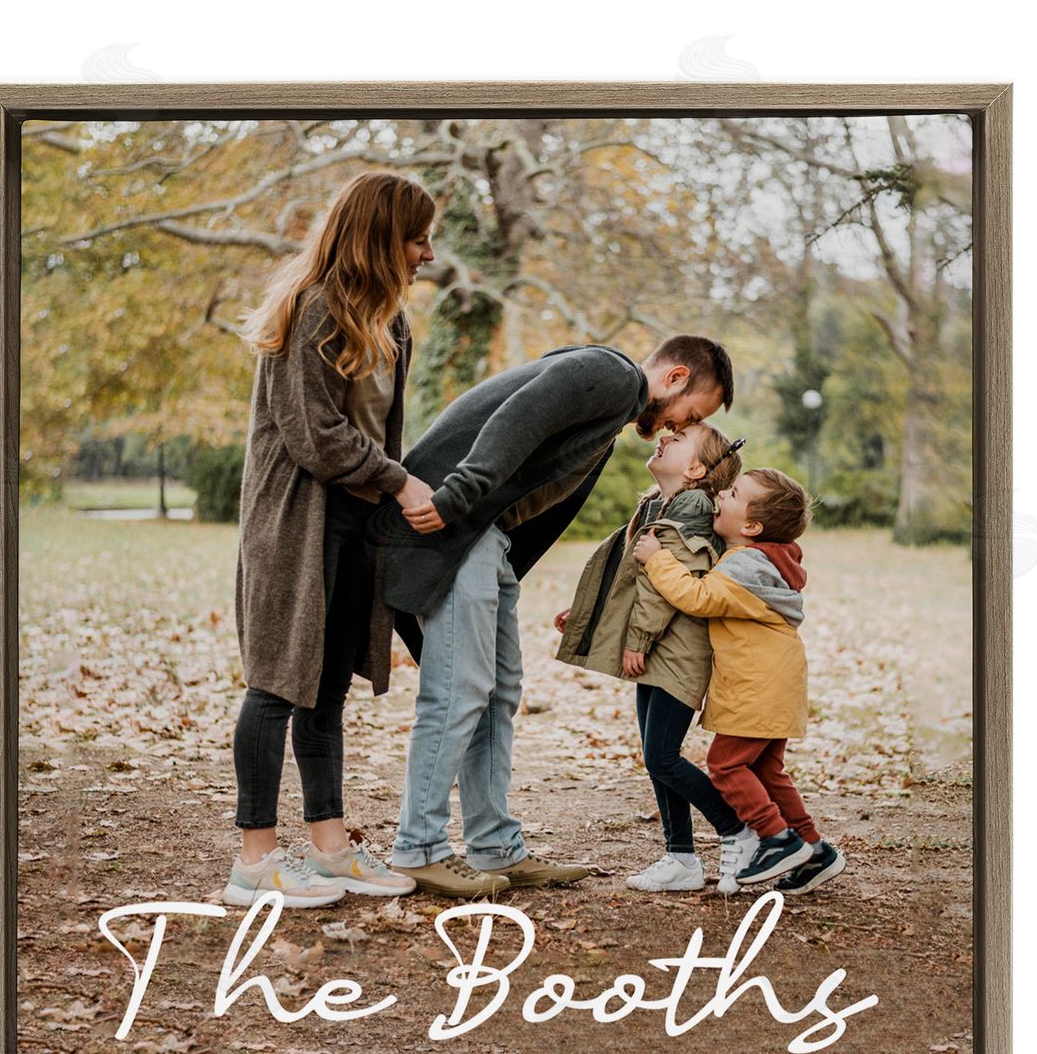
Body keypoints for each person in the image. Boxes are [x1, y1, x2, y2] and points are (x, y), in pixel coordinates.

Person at [368, 334, 735, 897]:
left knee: (498, 692)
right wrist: (455, 497)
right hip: (452, 523)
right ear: (677, 378)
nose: (673, 428)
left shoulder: (608, 412)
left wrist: (504, 569)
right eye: (691, 414)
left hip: (484, 540)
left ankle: (495, 847)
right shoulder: (612, 374)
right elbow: (517, 418)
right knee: (459, 688)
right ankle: (419, 847)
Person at [225, 172, 438, 909]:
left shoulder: (394, 325)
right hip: (295, 521)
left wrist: (388, 492)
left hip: (355, 524)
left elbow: (380, 430)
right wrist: (401, 482)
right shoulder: (313, 309)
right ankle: (253, 861)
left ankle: (330, 845)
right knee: (277, 682)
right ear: (381, 237)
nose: (428, 254)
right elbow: (314, 436)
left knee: (324, 691)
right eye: (416, 238)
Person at [555, 422, 760, 891]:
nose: (663, 437)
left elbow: (665, 585)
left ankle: (738, 830)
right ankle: (681, 858)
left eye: (677, 440)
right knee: (656, 757)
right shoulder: (656, 504)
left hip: (678, 650)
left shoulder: (692, 509)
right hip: (659, 651)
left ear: (694, 469)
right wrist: (591, 614)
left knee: (663, 756)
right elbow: (631, 577)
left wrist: (639, 640)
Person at [633, 467, 846, 895]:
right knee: (768, 772)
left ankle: (775, 839)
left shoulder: (745, 565)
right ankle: (814, 851)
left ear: (751, 526)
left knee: (726, 765)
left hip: (757, 686)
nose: (720, 496)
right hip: (777, 684)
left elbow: (697, 597)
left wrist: (657, 558)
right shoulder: (763, 560)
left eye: (731, 494)